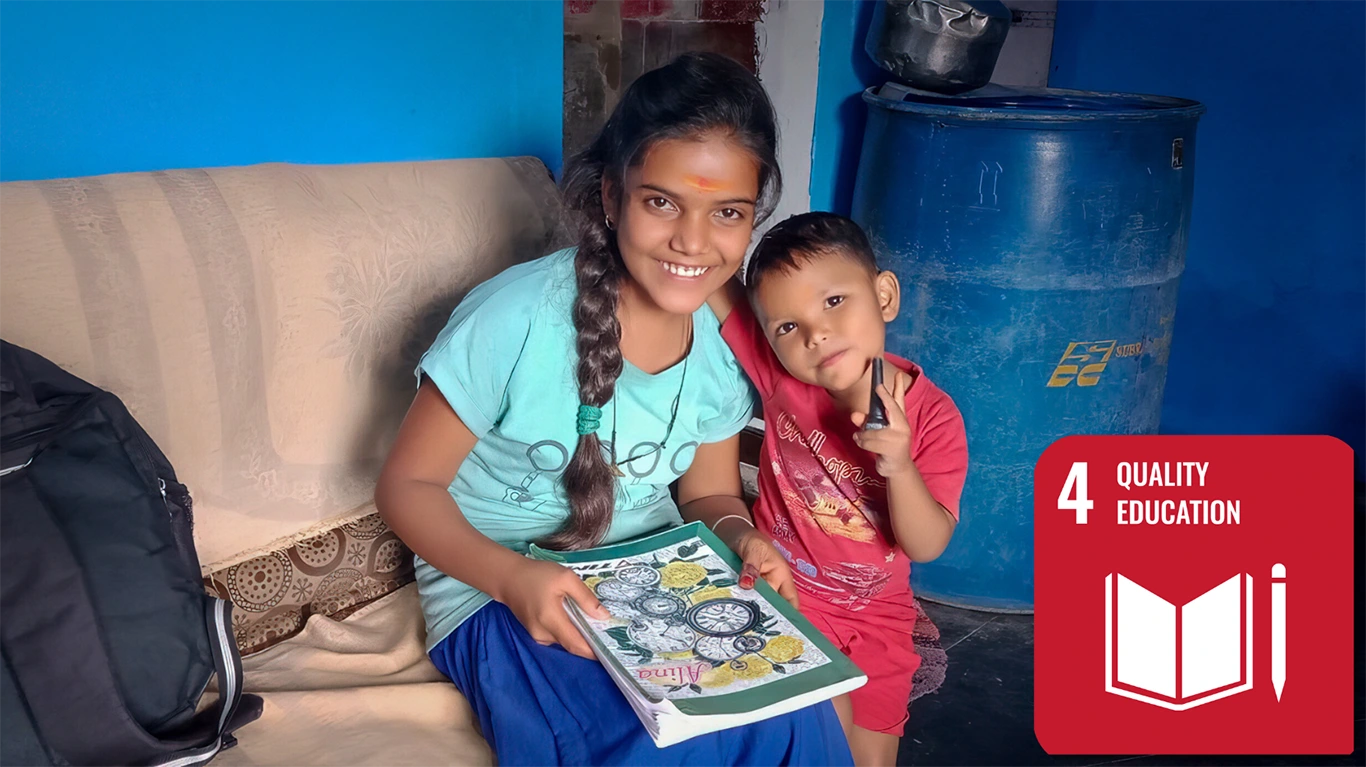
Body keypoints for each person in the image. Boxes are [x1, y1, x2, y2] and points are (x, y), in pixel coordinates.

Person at [376, 53, 853, 767]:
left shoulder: (725, 349)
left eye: (727, 213)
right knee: (643, 741)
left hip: (661, 574)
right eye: (661, 201)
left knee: (797, 719)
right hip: (499, 589)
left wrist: (742, 538)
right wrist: (512, 578)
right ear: (611, 196)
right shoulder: (515, 318)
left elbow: (712, 492)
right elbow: (405, 487)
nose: (693, 242)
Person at [707, 212, 968, 767]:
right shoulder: (783, 379)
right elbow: (709, 275)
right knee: (822, 740)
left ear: (885, 295)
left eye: (833, 302)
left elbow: (926, 544)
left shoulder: (934, 417)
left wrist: (898, 464)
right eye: (786, 327)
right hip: (788, 599)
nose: (815, 334)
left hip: (880, 615)